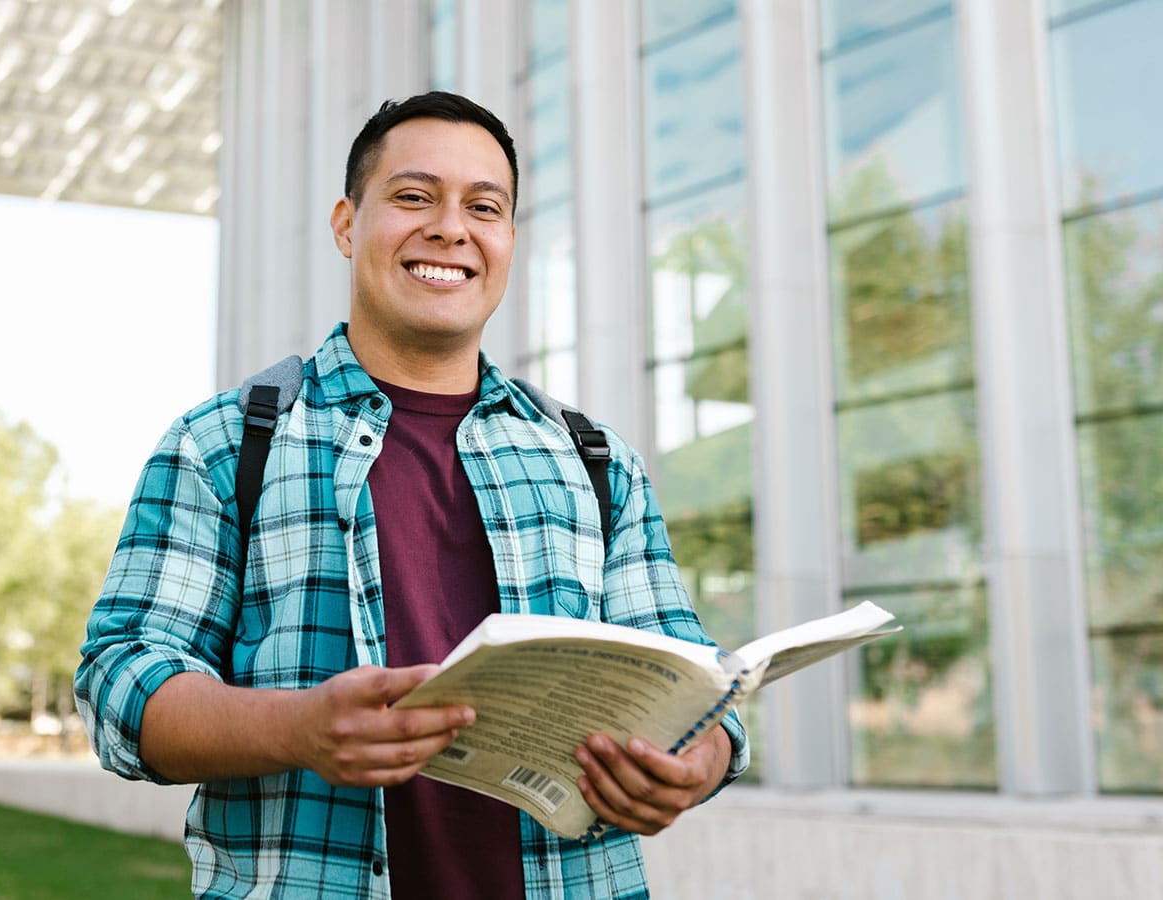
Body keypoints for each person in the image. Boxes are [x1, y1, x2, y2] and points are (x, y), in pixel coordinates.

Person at [75, 91, 747, 899]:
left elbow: (698, 688)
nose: (450, 229)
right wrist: (298, 728)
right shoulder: (221, 445)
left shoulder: (598, 462)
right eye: (414, 196)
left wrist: (693, 763)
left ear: (506, 241)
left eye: (484, 207)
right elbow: (121, 683)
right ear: (346, 224)